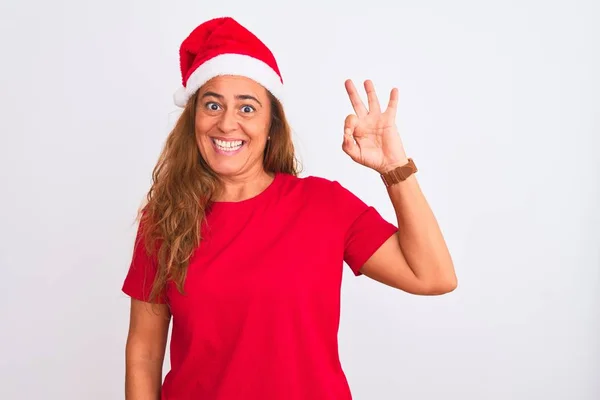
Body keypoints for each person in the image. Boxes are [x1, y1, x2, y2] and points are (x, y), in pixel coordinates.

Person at [122, 16, 457, 400]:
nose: (227, 123)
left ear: (271, 125)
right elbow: (144, 352)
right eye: (212, 105)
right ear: (194, 118)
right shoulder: (165, 220)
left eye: (247, 108)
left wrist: (394, 167)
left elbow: (433, 276)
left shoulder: (324, 205)